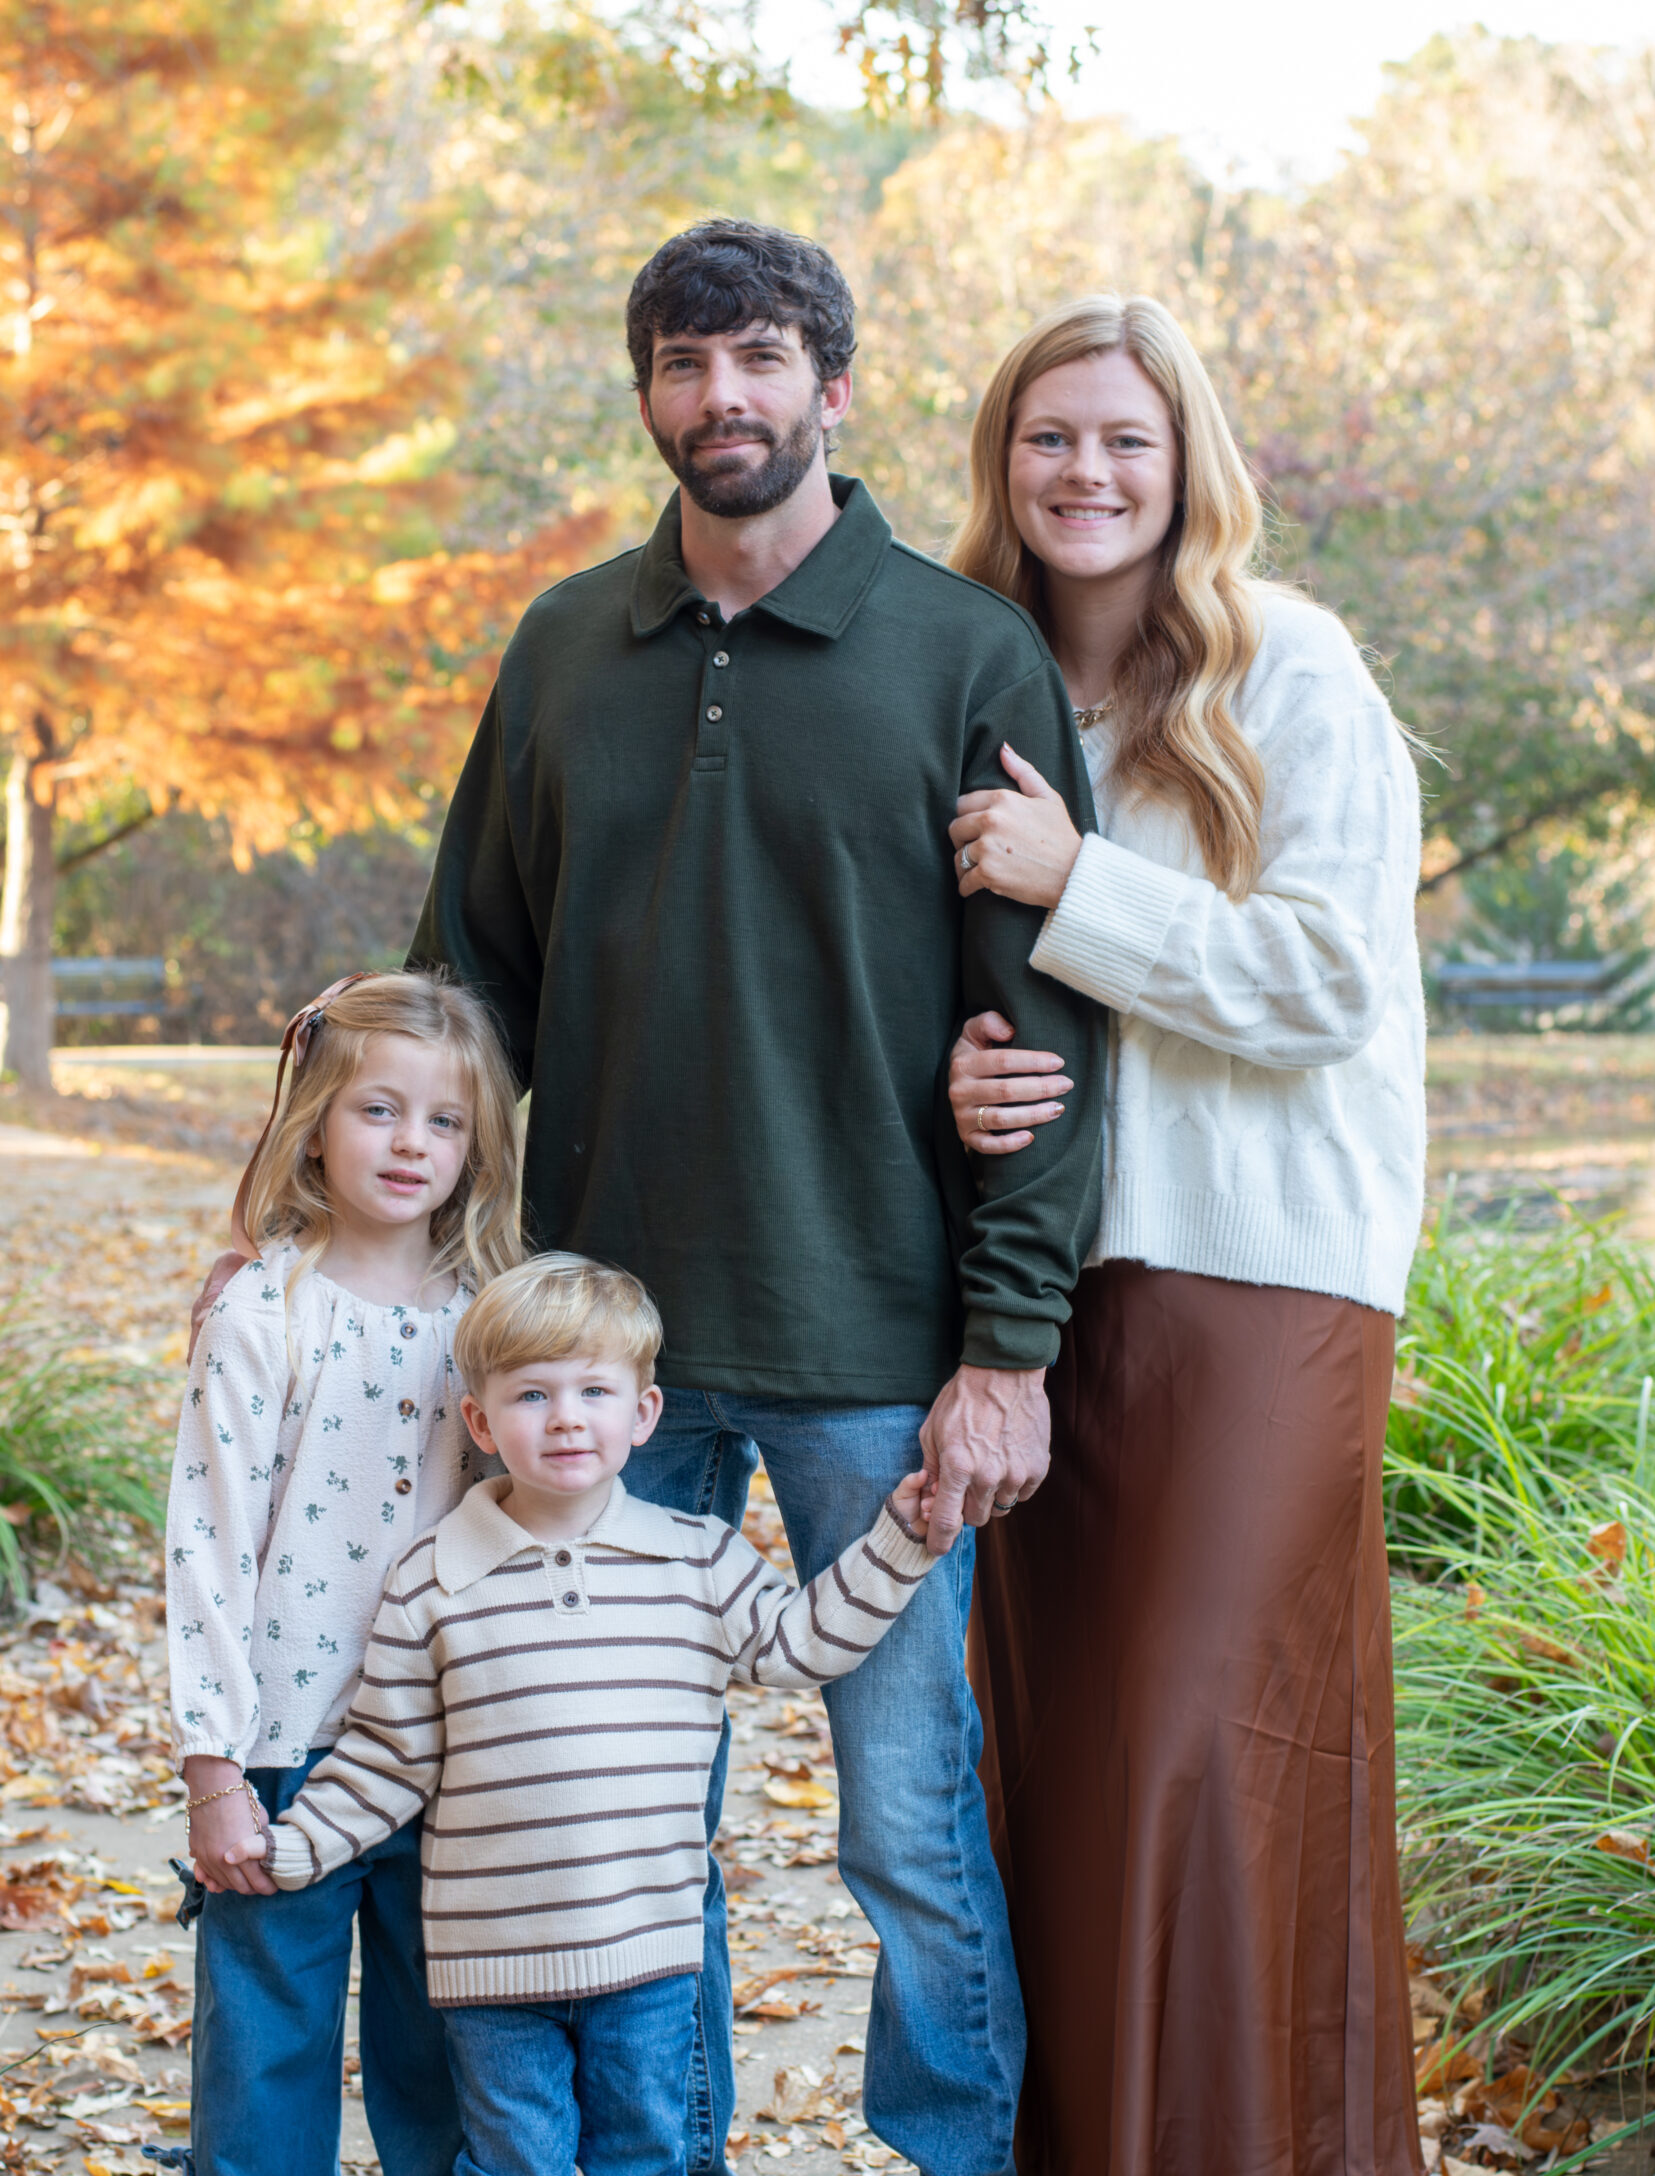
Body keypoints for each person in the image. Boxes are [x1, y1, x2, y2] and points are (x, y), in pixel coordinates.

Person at [408, 218, 1108, 2176]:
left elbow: (1045, 1043)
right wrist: (364, 1234)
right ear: (644, 392)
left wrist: (1005, 1349)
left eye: (760, 358)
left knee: (904, 1821)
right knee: (617, 1830)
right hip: (595, 1384)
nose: (722, 396)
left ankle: (952, 2152)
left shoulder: (963, 653)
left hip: (866, 1357)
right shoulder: (562, 646)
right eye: (683, 361)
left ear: (832, 384)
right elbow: (472, 975)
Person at [944, 294, 1428, 2176]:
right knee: (1056, 1780)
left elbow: (1321, 983)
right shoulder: (976, 686)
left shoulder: (1290, 671)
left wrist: (1083, 885)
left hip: (1261, 1294)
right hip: (1037, 1303)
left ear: (1185, 463)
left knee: (1187, 1756)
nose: (1084, 471)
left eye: (1124, 439)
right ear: (1004, 461)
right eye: (1049, 436)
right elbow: (944, 990)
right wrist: (954, 1090)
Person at [223, 1253, 940, 2176]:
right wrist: (290, 1848)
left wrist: (901, 1540)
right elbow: (388, 1761)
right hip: (491, 1972)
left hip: (648, 1958)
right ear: (479, 1421)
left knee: (643, 2154)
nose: (565, 1417)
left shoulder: (698, 1560)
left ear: (642, 1415)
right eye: (530, 1395)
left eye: (594, 1390)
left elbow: (798, 1645)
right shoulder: (432, 1580)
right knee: (513, 2162)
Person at [167, 971, 522, 2176]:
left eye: (445, 1119)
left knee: (442, 2067)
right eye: (378, 1109)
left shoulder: (494, 1326)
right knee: (266, 2054)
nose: (412, 1142)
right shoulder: (264, 1311)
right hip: (285, 1747)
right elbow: (206, 1543)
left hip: (447, 1754)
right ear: (313, 1116)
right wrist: (215, 1767)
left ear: (479, 1145)